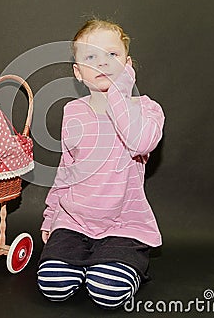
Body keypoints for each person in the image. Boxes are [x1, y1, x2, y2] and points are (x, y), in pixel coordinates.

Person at [37, 19, 165, 309]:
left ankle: (115, 264)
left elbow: (139, 143)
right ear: (78, 73)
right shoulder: (73, 111)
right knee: (53, 285)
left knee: (107, 291)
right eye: (91, 57)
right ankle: (81, 264)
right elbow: (66, 168)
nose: (103, 63)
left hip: (123, 224)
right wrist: (51, 215)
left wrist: (120, 93)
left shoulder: (146, 109)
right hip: (74, 220)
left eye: (112, 55)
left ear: (128, 64)